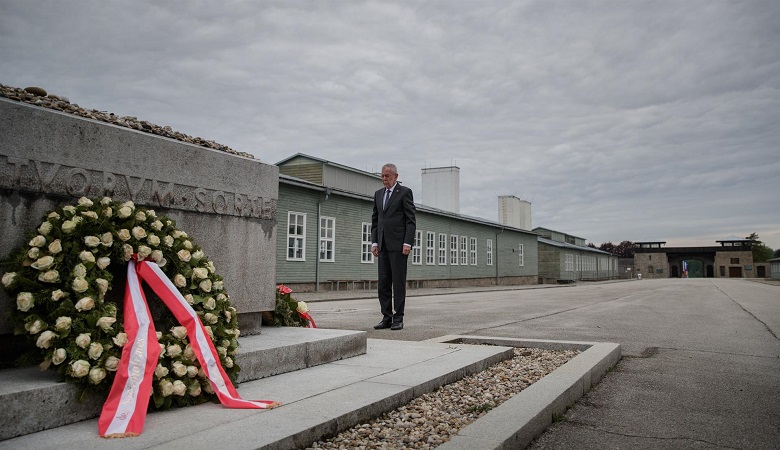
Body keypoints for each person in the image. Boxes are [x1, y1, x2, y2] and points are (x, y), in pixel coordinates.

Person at [371, 163, 416, 330]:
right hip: (382, 245)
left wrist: (407, 242)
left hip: (399, 246)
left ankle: (398, 318)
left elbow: (410, 220)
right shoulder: (378, 194)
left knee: (398, 283)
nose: (384, 179)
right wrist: (374, 242)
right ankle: (386, 317)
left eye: (387, 176)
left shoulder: (404, 193)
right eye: (382, 176)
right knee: (383, 283)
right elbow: (375, 220)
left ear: (395, 176)